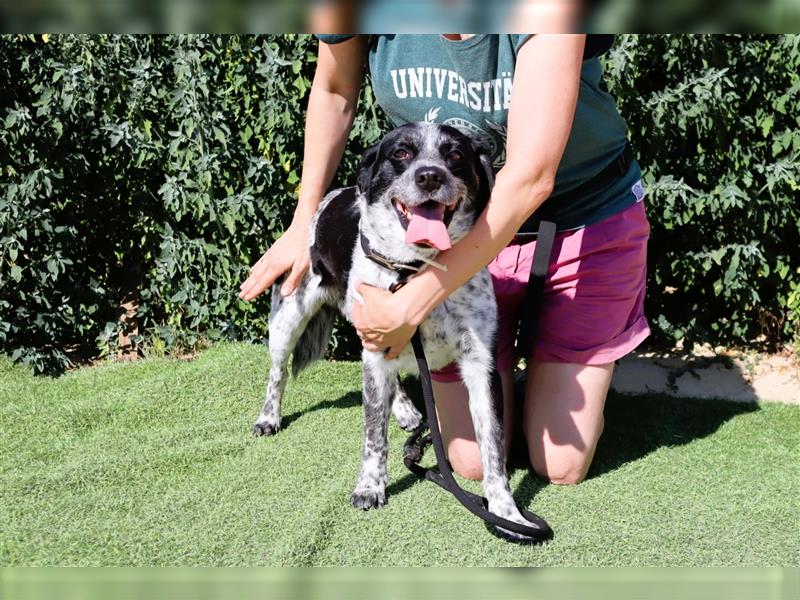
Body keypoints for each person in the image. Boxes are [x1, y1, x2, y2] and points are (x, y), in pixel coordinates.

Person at [239, 34, 650, 485]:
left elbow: (530, 178)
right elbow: (335, 90)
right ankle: (516, 386)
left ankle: (544, 378)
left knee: (561, 465)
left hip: (582, 218)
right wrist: (304, 223)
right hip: (451, 231)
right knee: (470, 466)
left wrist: (407, 306)